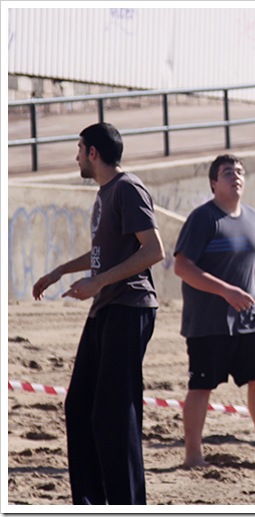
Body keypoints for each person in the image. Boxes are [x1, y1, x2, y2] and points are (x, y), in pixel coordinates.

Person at [32, 122, 165, 504]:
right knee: (80, 406)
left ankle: (125, 505)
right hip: (106, 309)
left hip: (130, 307)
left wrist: (99, 282)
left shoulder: (127, 188)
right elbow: (102, 255)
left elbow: (153, 250)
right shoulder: (105, 194)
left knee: (113, 413)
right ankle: (89, 504)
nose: (75, 155)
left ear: (93, 153)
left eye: (79, 148)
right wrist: (62, 270)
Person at [173, 154, 255, 470]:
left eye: (239, 172)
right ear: (214, 183)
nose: (235, 176)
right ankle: (193, 455)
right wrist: (225, 290)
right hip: (208, 322)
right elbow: (182, 267)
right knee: (201, 386)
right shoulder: (203, 219)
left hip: (248, 321)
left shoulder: (251, 217)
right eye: (227, 172)